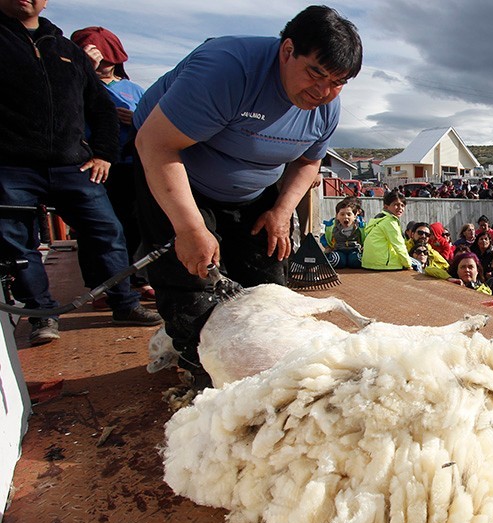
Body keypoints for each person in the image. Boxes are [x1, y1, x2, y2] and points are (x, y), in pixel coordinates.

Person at [131, 6, 361, 382]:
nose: (324, 92)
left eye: (338, 82)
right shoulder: (227, 70)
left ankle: (264, 365)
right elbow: (155, 144)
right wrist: (189, 228)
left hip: (255, 188)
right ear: (287, 50)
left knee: (269, 281)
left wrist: (282, 211)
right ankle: (199, 364)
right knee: (193, 282)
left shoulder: (326, 108)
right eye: (316, 73)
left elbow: (308, 163)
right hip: (179, 175)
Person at [1, 0, 162, 346]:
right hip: (12, 165)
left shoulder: (66, 51)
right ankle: (41, 314)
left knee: (107, 231)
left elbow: (100, 107)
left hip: (72, 163)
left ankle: (124, 303)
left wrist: (104, 154)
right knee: (18, 243)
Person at [70, 26, 155, 301]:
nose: (104, 66)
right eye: (98, 59)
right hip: (89, 166)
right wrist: (83, 71)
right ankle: (103, 286)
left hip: (130, 165)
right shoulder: (74, 84)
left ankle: (138, 279)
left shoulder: (134, 90)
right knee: (96, 227)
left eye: (108, 59)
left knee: (135, 223)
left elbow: (157, 125)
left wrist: (137, 121)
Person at [361, 191, 412, 271]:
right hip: (384, 264)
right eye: (396, 205)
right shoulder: (390, 222)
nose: (400, 208)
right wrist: (408, 265)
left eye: (402, 205)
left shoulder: (379, 218)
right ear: (386, 206)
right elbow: (398, 245)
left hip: (369, 263)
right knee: (417, 264)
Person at [320, 196, 363, 268]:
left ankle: (350, 261)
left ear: (355, 215)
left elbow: (367, 236)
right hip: (339, 249)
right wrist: (327, 247)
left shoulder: (361, 226)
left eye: (349, 214)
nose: (346, 217)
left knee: (355, 261)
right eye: (342, 214)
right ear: (337, 216)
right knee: (337, 261)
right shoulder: (332, 226)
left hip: (354, 249)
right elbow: (324, 237)